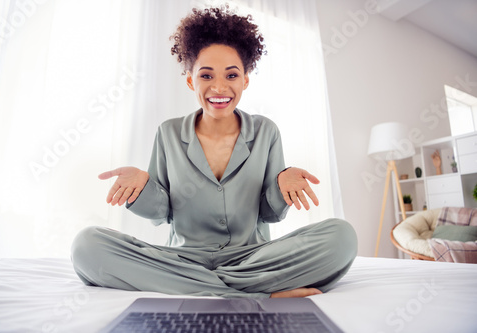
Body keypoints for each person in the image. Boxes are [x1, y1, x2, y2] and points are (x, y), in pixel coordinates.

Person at [71, 6, 357, 298]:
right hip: (182, 260)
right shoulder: (168, 133)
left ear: (245, 80)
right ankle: (257, 295)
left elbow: (269, 214)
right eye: (206, 76)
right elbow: (161, 213)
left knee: (342, 237)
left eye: (231, 76)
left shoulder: (266, 132)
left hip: (252, 259)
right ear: (190, 80)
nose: (219, 87)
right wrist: (141, 188)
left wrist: (281, 188)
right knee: (87, 246)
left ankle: (197, 289)